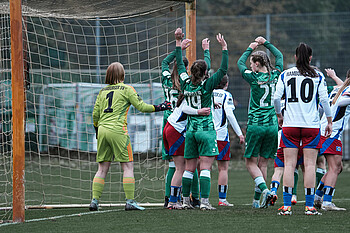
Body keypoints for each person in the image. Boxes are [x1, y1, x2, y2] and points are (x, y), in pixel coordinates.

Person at [90, 62, 171, 211]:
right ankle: (130, 201)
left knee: (102, 168)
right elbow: (142, 107)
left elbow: (95, 115)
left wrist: (97, 130)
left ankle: (94, 201)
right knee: (127, 166)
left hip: (101, 130)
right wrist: (161, 106)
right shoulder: (127, 89)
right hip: (118, 130)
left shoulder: (102, 91)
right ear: (122, 74)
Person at [274, 43, 332, 216]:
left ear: (295, 57)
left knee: (289, 165)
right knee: (310, 165)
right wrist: (328, 121)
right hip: (311, 126)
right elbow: (325, 101)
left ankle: (286, 206)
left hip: (290, 125)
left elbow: (276, 98)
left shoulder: (285, 74)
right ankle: (309, 207)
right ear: (310, 58)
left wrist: (279, 116)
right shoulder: (318, 75)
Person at [174, 27, 228, 210]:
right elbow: (223, 69)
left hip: (190, 132)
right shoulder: (208, 84)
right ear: (206, 73)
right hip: (206, 130)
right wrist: (221, 48)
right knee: (205, 167)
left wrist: (178, 45)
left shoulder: (185, 82)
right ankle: (204, 202)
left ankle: (185, 201)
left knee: (189, 168)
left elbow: (180, 66)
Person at [237, 36, 283, 208]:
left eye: (252, 62)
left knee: (250, 162)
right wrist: (266, 43)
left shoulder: (253, 77)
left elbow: (240, 63)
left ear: (257, 64)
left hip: (256, 125)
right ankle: (258, 202)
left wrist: (250, 47)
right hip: (272, 125)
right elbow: (279, 57)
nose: (250, 65)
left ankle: (265, 190)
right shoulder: (276, 74)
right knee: (263, 163)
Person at [164, 93, 211, 209]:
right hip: (176, 131)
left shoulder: (191, 93)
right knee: (180, 168)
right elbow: (185, 108)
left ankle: (179, 199)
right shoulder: (191, 93)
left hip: (172, 127)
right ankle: (173, 201)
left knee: (184, 166)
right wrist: (198, 112)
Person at [161, 38, 191, 208]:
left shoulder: (166, 78)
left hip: (167, 122)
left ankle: (168, 198)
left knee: (173, 164)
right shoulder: (185, 83)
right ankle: (184, 198)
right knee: (187, 164)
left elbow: (164, 62)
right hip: (181, 125)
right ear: (184, 69)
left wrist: (178, 48)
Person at [314, 68, 350, 211]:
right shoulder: (344, 91)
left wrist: (334, 76)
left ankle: (318, 197)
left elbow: (324, 106)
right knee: (335, 167)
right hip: (332, 133)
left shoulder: (337, 89)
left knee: (337, 167)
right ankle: (327, 202)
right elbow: (341, 103)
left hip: (326, 131)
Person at [213, 75, 245, 207]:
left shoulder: (206, 92)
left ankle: (198, 198)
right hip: (220, 136)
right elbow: (230, 115)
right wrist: (239, 133)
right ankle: (222, 199)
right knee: (223, 168)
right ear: (226, 84)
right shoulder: (226, 95)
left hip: (205, 133)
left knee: (201, 166)